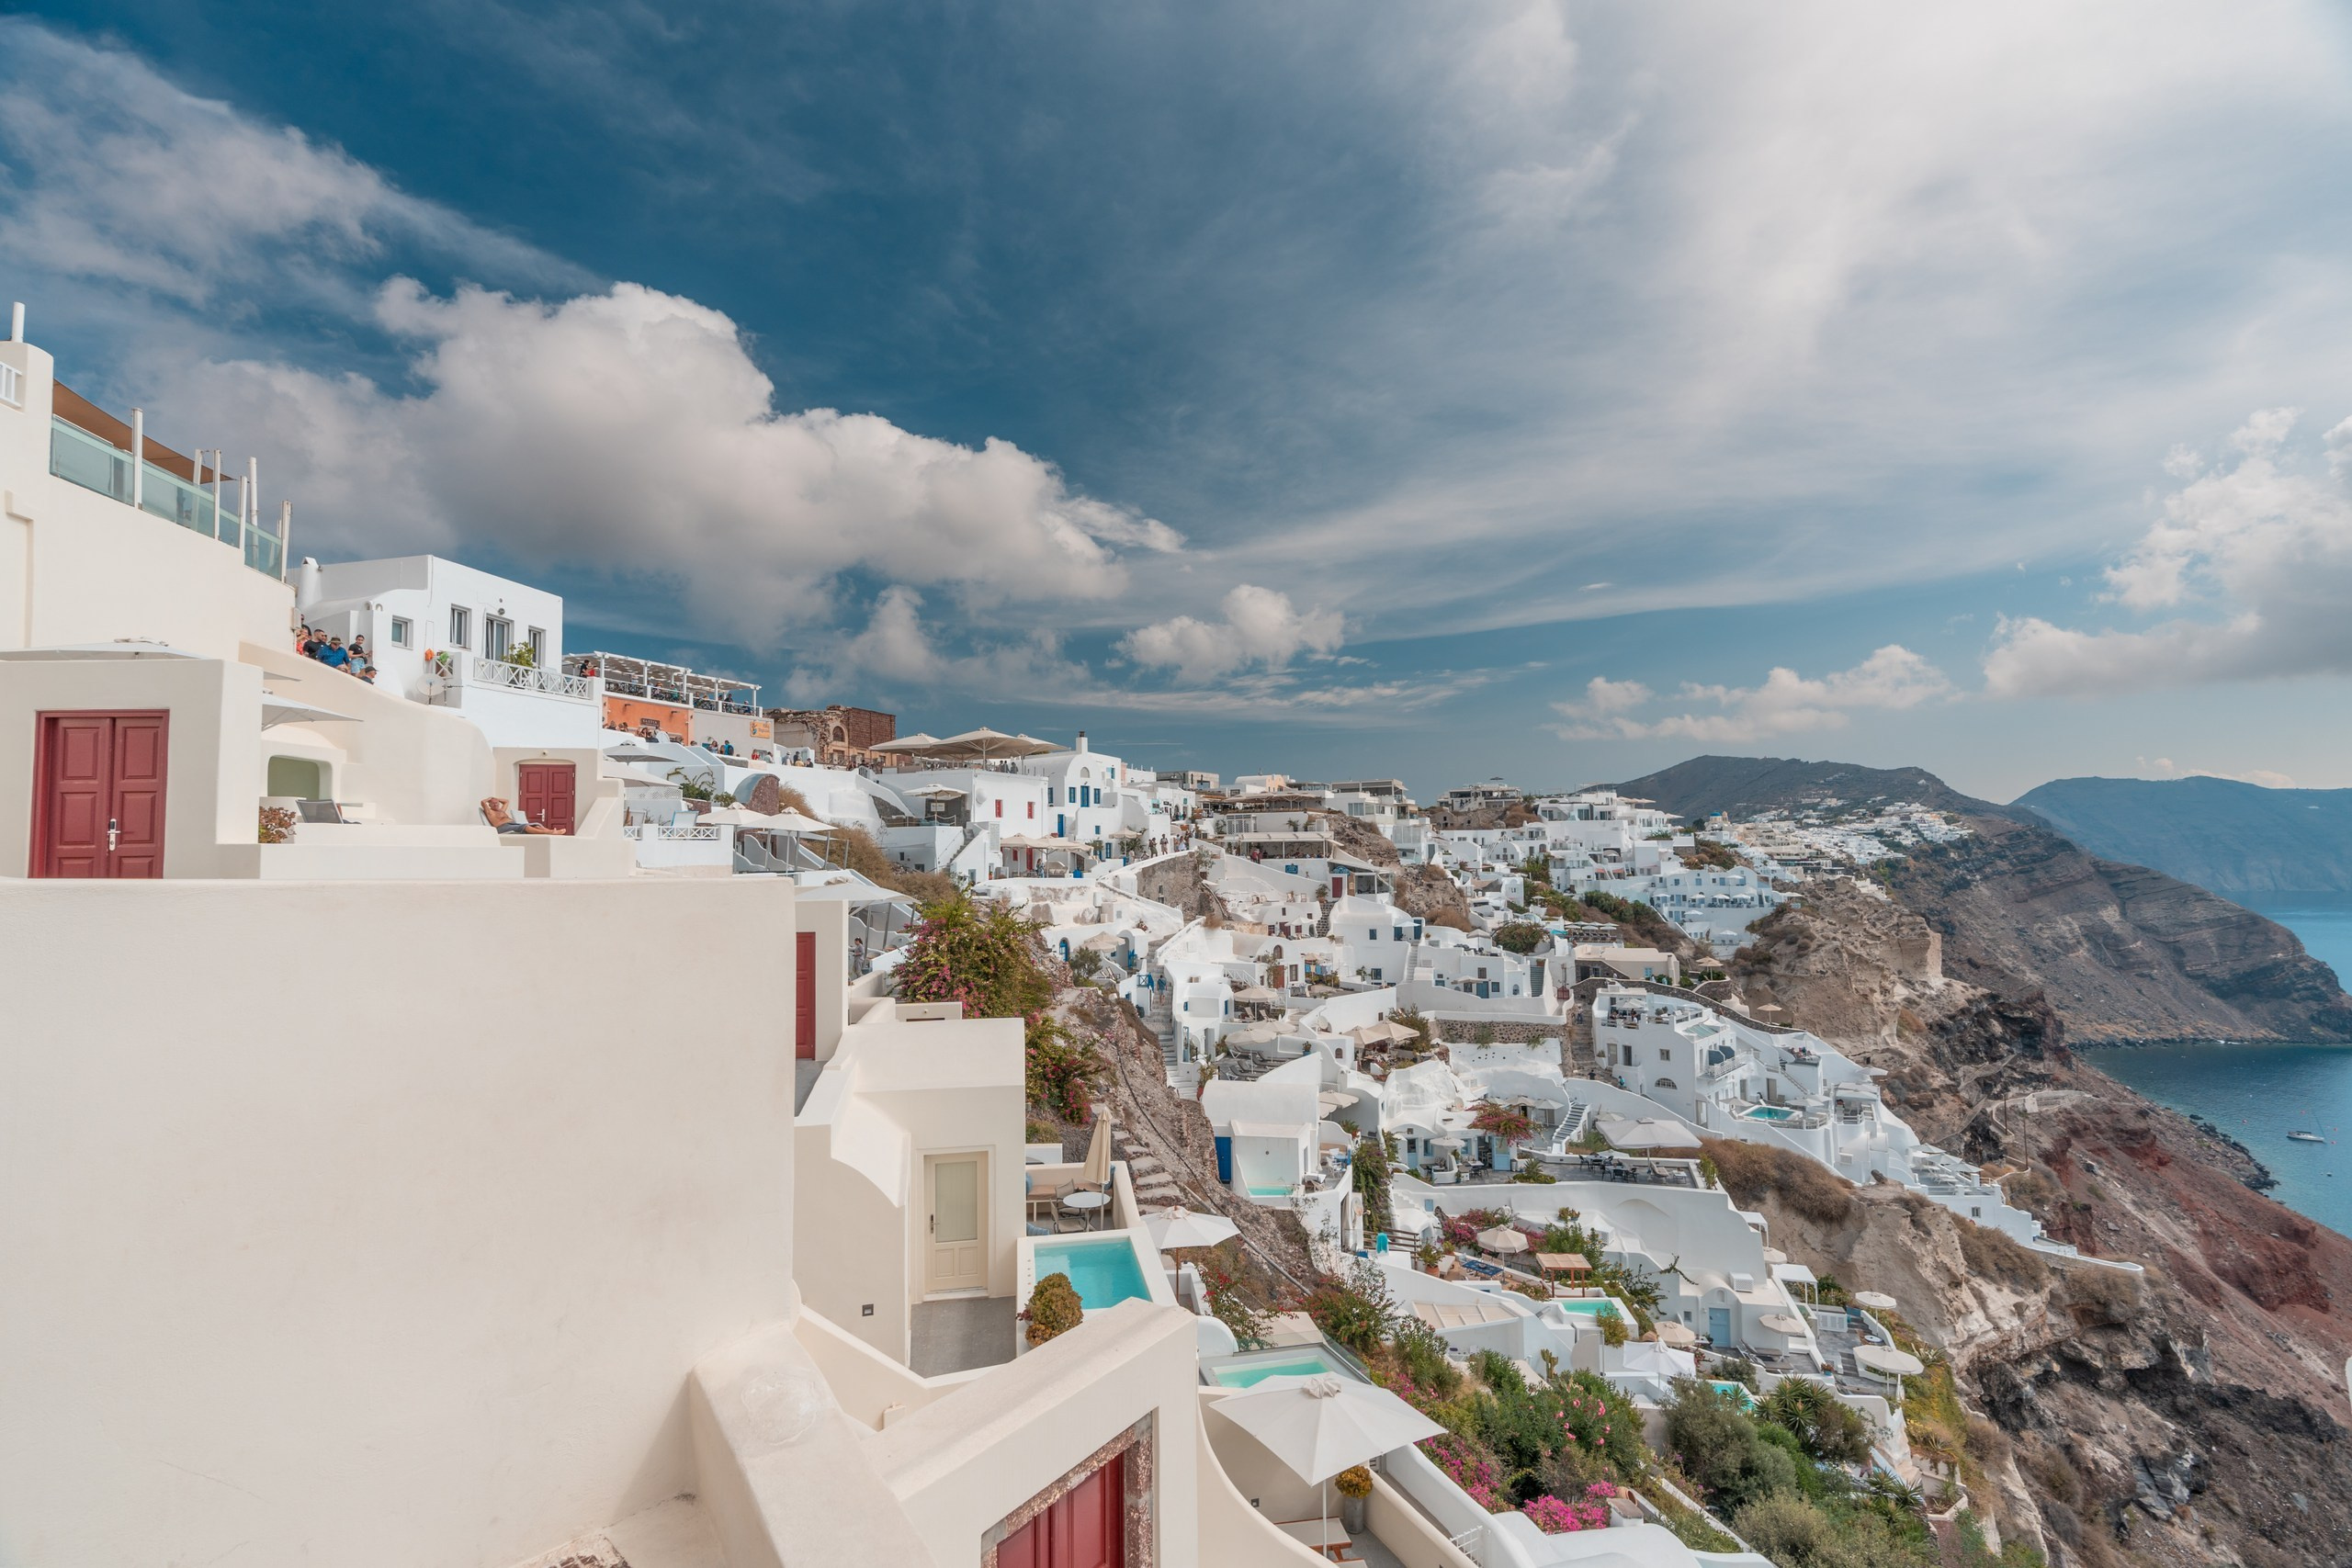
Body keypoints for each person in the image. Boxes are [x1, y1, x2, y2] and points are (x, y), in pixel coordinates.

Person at [480, 796, 564, 836]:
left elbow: (506, 801)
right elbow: (483, 802)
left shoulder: (501, 810)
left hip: (512, 825)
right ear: (489, 805)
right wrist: (490, 798)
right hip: (502, 827)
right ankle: (549, 833)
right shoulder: (490, 812)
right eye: (493, 803)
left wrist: (496, 798)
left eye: (497, 803)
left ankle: (552, 831)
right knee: (526, 827)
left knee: (536, 825)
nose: (496, 804)